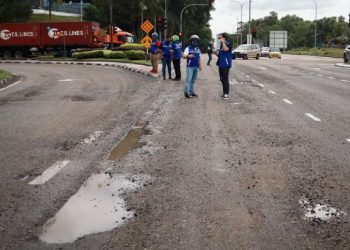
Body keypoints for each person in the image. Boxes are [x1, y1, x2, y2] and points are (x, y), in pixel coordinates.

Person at [216, 33, 232, 100]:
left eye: (220, 36)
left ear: (223, 37)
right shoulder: (221, 45)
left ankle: (226, 93)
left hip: (226, 64)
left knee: (225, 79)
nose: (219, 38)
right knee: (222, 79)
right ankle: (224, 92)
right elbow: (220, 55)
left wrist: (223, 43)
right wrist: (215, 53)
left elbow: (226, 49)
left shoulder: (228, 43)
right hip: (221, 64)